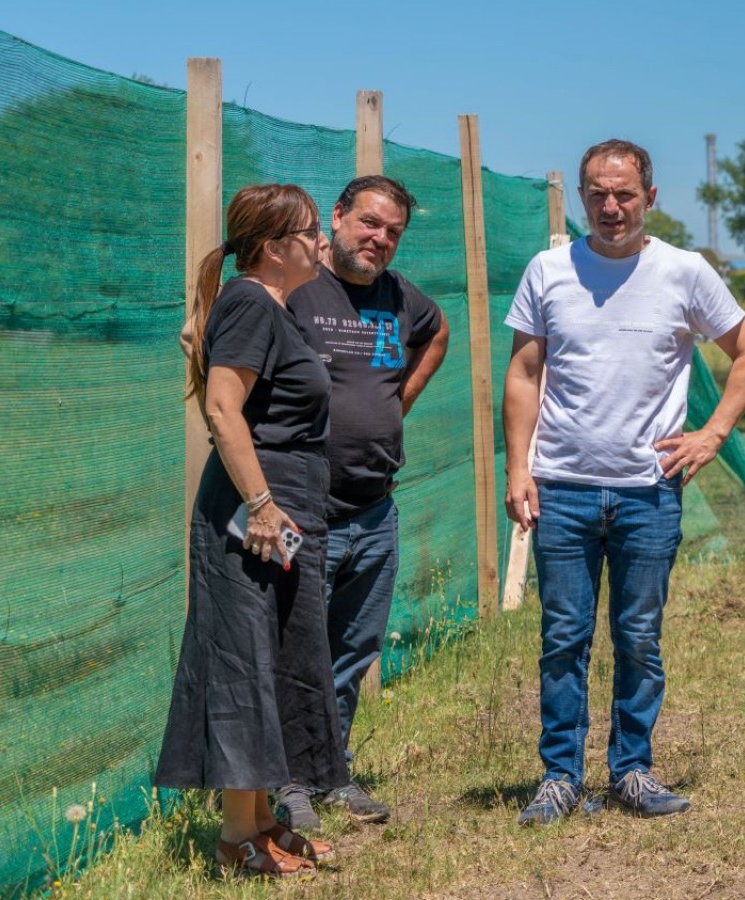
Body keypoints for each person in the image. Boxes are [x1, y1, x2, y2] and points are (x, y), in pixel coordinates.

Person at [502, 139, 745, 826]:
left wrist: (713, 435)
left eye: (624, 193)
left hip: (648, 491)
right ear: (584, 197)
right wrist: (517, 467)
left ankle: (631, 772)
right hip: (560, 487)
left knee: (639, 635)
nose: (610, 206)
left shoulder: (685, 272)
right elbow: (524, 374)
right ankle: (559, 778)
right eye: (597, 193)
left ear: (650, 197)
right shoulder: (549, 270)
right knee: (563, 636)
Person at [155, 183, 344, 877]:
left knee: (277, 652)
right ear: (273, 247)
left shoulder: (272, 306)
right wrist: (261, 505)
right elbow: (224, 408)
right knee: (243, 658)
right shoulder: (249, 302)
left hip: (282, 507)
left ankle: (264, 820)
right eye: (311, 230)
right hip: (253, 512)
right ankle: (237, 837)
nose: (321, 242)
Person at [273, 175, 449, 830]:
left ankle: (331, 772)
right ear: (338, 217)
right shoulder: (293, 290)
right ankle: (287, 786)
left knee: (351, 650)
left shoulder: (399, 296)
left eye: (393, 232)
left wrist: (394, 405)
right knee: (293, 650)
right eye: (369, 223)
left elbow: (438, 332)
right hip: (298, 512)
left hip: (374, 508)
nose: (379, 239)